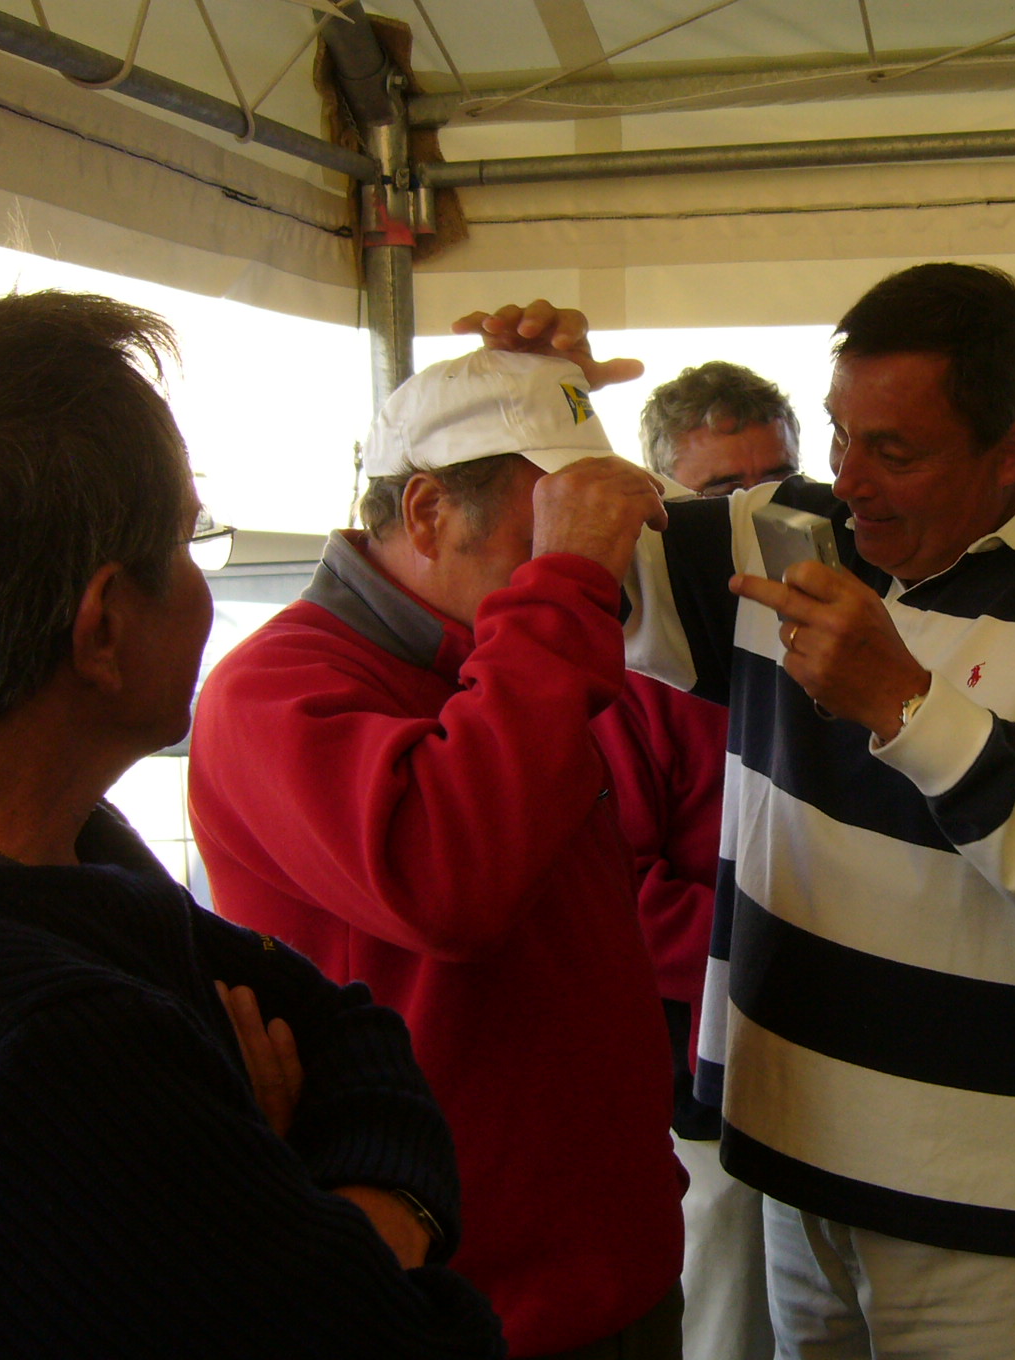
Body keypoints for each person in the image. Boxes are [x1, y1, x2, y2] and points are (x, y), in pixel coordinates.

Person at [462, 261, 1015, 1359]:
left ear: (1012, 446)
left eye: (895, 451)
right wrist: (547, 404)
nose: (850, 479)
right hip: (797, 1162)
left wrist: (906, 705)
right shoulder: (786, 534)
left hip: (999, 1211)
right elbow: (574, 557)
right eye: (839, 433)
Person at [0, 289, 500, 1358]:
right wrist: (334, 1207)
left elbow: (345, 1032)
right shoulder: (36, 1047)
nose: (200, 583)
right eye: (189, 539)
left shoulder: (0, 857)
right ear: (102, 625)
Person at [187, 346, 687, 1359]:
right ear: (425, 512)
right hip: (462, 1300)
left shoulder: (506, 655)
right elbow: (448, 880)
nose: (589, 563)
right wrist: (564, 589)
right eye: (550, 527)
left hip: (616, 1268)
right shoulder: (273, 690)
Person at [596, 360, 803, 1360]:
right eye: (725, 491)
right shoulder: (633, 671)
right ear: (665, 504)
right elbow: (620, 902)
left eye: (778, 481)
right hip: (704, 1086)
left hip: (851, 1073)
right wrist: (790, 953)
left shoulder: (851, 637)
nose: (757, 511)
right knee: (725, 1329)